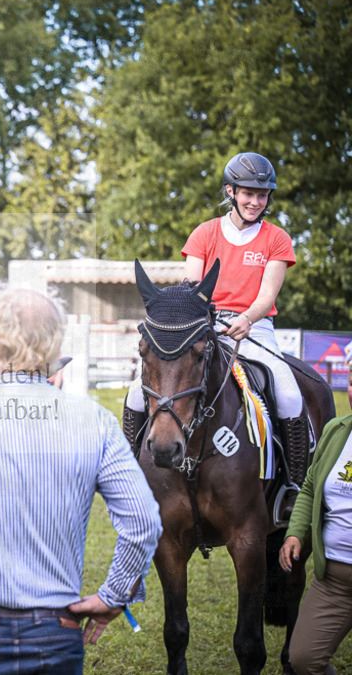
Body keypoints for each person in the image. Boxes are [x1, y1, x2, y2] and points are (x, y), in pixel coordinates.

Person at [0, 285, 162, 674]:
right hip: (53, 631)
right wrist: (114, 595)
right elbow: (143, 522)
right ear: (54, 347)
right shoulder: (95, 421)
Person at [123, 153, 307, 489]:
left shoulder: (277, 238)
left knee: (289, 393)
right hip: (203, 327)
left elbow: (267, 295)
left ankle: (293, 487)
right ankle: (129, 474)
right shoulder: (205, 233)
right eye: (248, 193)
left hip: (254, 328)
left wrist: (247, 318)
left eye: (262, 195)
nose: (255, 202)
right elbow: (193, 290)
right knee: (137, 393)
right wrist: (204, 324)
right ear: (231, 191)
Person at [279, 343, 352, 675]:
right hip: (334, 579)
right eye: (351, 381)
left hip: (255, 331)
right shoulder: (337, 431)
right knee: (303, 661)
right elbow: (310, 486)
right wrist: (295, 533)